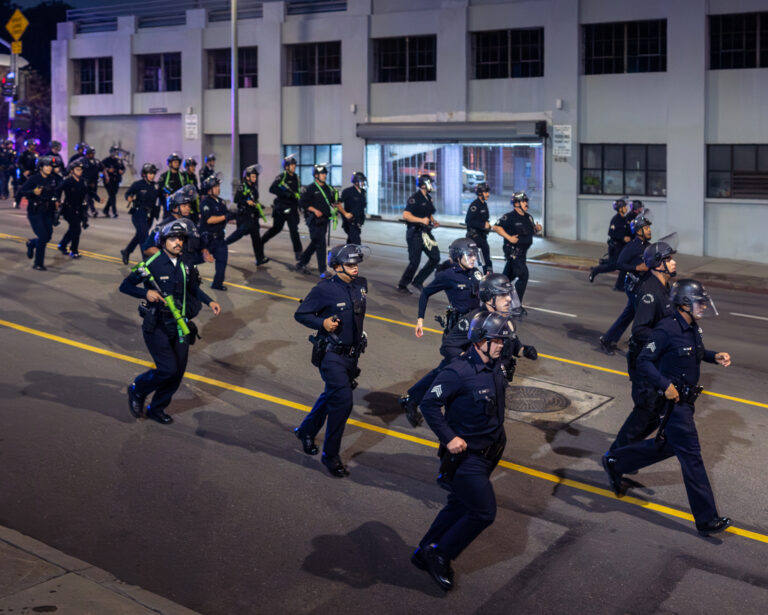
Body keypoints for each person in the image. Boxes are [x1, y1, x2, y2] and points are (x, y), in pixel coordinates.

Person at [602, 279, 732, 537]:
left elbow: (695, 352)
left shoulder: (692, 327)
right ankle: (707, 519)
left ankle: (616, 462)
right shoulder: (666, 329)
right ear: (684, 303)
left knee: (668, 446)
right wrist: (665, 385)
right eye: (699, 302)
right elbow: (644, 361)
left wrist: (714, 356)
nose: (703, 306)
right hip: (673, 404)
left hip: (686, 402)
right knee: (692, 457)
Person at [413, 311, 514, 591]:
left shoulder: (494, 364)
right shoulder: (457, 372)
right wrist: (449, 438)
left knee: (459, 505)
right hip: (466, 457)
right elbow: (429, 404)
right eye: (496, 340)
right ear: (479, 339)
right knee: (484, 512)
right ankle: (440, 555)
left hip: (491, 449)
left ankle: (424, 550)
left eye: (502, 341)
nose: (501, 345)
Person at [400, 273, 536, 427]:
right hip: (471, 370)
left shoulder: (501, 317)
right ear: (489, 297)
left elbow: (510, 340)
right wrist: (468, 364)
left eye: (509, 294)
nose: (509, 299)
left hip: (492, 373)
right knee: (443, 380)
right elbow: (448, 346)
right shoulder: (474, 320)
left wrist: (523, 350)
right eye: (503, 295)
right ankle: (411, 400)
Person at [121, 221, 221, 425]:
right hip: (157, 324)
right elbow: (125, 286)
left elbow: (193, 288)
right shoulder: (151, 263)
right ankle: (138, 389)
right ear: (163, 241)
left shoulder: (186, 263)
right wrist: (145, 293)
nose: (178, 242)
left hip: (180, 324)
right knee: (167, 368)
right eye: (173, 239)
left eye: (181, 239)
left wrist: (209, 301)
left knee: (177, 373)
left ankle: (157, 408)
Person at [293, 244, 369, 477]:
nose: (355, 268)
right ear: (336, 267)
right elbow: (301, 314)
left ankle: (306, 431)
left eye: (356, 264)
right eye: (349, 264)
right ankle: (331, 456)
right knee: (343, 403)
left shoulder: (361, 284)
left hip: (351, 356)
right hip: (331, 355)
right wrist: (323, 323)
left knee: (332, 396)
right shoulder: (324, 289)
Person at [609, 237, 678, 451]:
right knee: (645, 412)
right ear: (658, 264)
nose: (674, 262)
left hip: (656, 361)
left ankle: (629, 451)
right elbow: (639, 330)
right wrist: (665, 338)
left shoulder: (664, 286)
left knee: (656, 412)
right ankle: (615, 455)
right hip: (644, 362)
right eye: (668, 259)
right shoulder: (651, 292)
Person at [598, 212, 653, 355]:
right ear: (639, 231)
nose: (649, 230)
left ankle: (607, 339)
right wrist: (637, 267)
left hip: (643, 286)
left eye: (649, 228)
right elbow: (619, 264)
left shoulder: (648, 246)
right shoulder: (631, 247)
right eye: (646, 228)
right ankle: (638, 345)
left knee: (629, 315)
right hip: (633, 287)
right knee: (643, 317)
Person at [493, 191, 542, 314]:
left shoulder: (528, 217)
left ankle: (492, 297)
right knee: (523, 275)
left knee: (506, 279)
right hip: (514, 253)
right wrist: (509, 238)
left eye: (526, 201)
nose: (526, 203)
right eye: (524, 201)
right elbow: (496, 227)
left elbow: (529, 231)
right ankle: (516, 306)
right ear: (516, 203)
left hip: (522, 254)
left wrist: (537, 229)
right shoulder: (509, 217)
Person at [143, 184, 209, 266]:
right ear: (175, 208)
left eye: (189, 206)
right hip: (171, 269)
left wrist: (204, 251)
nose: (188, 208)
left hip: (188, 267)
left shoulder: (189, 224)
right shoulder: (164, 225)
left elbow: (195, 246)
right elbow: (147, 248)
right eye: (184, 205)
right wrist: (169, 256)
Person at [292, 164, 339, 277]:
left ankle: (301, 262)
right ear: (316, 175)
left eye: (325, 173)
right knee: (321, 244)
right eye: (322, 174)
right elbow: (302, 203)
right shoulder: (310, 188)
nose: (325, 175)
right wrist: (314, 210)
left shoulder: (328, 188)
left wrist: (335, 206)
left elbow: (333, 201)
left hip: (325, 220)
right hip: (314, 221)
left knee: (316, 243)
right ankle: (322, 270)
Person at [397, 174, 441, 294]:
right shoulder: (415, 198)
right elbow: (406, 215)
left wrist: (433, 221)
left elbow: (428, 213)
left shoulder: (428, 198)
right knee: (414, 262)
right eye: (430, 182)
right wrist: (421, 220)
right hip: (415, 233)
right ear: (423, 185)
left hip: (426, 233)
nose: (432, 185)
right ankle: (403, 284)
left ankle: (418, 281)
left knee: (435, 257)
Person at [19, 156, 60, 271]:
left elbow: (55, 193)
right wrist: (33, 192)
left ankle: (31, 243)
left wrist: (56, 200)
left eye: (50, 166)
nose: (49, 168)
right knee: (43, 236)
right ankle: (38, 263)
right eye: (46, 166)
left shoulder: (53, 179)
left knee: (48, 236)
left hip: (48, 211)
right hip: (35, 212)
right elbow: (20, 192)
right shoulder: (34, 179)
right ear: (41, 167)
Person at [226, 164, 269, 265]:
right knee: (237, 235)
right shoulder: (242, 187)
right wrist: (246, 201)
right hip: (244, 217)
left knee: (256, 239)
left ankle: (260, 259)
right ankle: (222, 244)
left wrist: (259, 205)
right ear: (247, 177)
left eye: (255, 176)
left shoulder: (253, 187)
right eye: (253, 176)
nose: (255, 178)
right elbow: (236, 199)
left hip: (253, 218)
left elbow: (255, 199)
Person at [263, 154, 303, 260]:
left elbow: (298, 191)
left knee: (294, 230)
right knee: (276, 229)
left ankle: (298, 253)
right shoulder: (281, 177)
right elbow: (272, 189)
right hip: (281, 208)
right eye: (292, 165)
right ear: (286, 167)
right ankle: (261, 242)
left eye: (294, 165)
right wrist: (285, 194)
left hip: (292, 208)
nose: (294, 166)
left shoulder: (297, 178)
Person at [199, 175, 235, 290]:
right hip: (207, 240)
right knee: (195, 260)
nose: (218, 188)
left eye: (218, 186)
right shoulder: (205, 203)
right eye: (215, 186)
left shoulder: (221, 201)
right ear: (209, 189)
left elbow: (226, 215)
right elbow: (209, 220)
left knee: (222, 263)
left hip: (219, 238)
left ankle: (217, 284)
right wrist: (225, 217)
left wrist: (234, 215)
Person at [121, 163, 160, 265]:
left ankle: (126, 251)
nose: (152, 175)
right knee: (144, 237)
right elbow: (128, 193)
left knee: (140, 235)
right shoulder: (138, 184)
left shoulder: (156, 186)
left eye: (153, 173)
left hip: (150, 215)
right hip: (138, 213)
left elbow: (163, 196)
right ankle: (146, 261)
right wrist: (128, 197)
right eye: (150, 173)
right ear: (144, 174)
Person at [589, 199, 632, 289]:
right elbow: (611, 233)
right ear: (620, 209)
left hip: (623, 247)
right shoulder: (615, 219)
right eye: (624, 206)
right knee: (612, 266)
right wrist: (623, 237)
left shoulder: (625, 219)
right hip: (616, 247)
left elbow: (628, 231)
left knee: (624, 264)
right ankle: (595, 270)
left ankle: (620, 285)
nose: (626, 208)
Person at [57, 159, 92, 259]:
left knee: (73, 229)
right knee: (76, 229)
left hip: (80, 209)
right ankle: (74, 251)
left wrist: (98, 198)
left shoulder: (83, 181)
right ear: (72, 170)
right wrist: (56, 200)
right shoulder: (67, 181)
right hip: (68, 209)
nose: (80, 171)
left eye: (81, 170)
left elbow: (89, 191)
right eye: (77, 169)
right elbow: (57, 190)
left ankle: (62, 244)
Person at [465, 183, 493, 274]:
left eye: (488, 192)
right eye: (486, 192)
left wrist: (488, 225)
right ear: (480, 193)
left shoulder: (484, 204)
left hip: (482, 236)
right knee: (476, 260)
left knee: (485, 261)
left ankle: (488, 278)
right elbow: (468, 221)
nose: (488, 194)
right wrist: (483, 225)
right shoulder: (475, 205)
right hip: (474, 238)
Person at [338, 171, 367, 245]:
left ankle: (347, 251)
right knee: (356, 243)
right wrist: (345, 214)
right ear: (356, 182)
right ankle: (356, 252)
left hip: (358, 222)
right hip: (350, 222)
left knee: (350, 243)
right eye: (362, 181)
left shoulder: (363, 192)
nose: (363, 182)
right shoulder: (347, 191)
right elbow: (338, 204)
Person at [101, 146, 126, 218]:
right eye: (114, 152)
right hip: (109, 180)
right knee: (112, 196)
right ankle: (114, 212)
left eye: (117, 152)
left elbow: (123, 168)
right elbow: (101, 169)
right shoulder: (106, 160)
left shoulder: (119, 161)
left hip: (116, 180)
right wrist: (108, 170)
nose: (115, 153)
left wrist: (122, 171)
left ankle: (105, 210)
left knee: (112, 196)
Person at [15, 138, 39, 208]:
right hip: (24, 175)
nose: (33, 147)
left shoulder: (36, 154)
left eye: (34, 145)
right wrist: (24, 171)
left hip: (32, 174)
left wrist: (34, 171)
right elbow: (19, 163)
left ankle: (33, 203)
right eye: (32, 145)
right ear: (28, 145)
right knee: (22, 189)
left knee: (34, 189)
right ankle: (17, 202)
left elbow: (37, 164)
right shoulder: (23, 154)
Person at [81, 146, 103, 217]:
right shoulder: (82, 161)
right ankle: (88, 211)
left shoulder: (96, 161)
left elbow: (102, 169)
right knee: (87, 197)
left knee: (91, 197)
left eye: (93, 153)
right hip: (85, 182)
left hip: (94, 182)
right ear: (87, 153)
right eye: (91, 153)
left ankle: (90, 210)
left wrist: (103, 176)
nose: (92, 155)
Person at [182, 157, 200, 221]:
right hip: (186, 204)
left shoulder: (194, 176)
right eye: (192, 166)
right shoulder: (183, 176)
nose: (194, 168)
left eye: (194, 166)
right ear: (187, 167)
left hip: (194, 204)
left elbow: (196, 189)